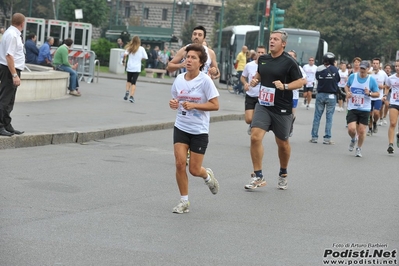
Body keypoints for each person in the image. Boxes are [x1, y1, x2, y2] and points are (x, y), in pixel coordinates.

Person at [245, 30, 304, 191]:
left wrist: (285, 86)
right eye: (271, 39)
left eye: (276, 39)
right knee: (255, 137)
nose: (272, 41)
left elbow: (301, 81)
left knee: (283, 143)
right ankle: (258, 176)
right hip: (263, 105)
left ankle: (283, 173)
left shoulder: (289, 62)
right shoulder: (263, 59)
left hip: (282, 108)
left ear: (283, 44)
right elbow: (259, 74)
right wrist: (256, 80)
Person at [168, 43, 220, 214]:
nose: (189, 60)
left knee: (194, 169)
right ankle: (184, 201)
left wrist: (195, 106)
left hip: (199, 130)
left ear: (201, 63)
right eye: (187, 57)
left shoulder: (205, 81)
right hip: (181, 126)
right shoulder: (179, 79)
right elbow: (176, 100)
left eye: (193, 58)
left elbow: (215, 105)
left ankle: (207, 176)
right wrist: (174, 104)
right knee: (179, 163)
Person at [344, 61, 379, 157]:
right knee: (351, 129)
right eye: (361, 69)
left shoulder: (371, 80)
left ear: (368, 69)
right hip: (353, 107)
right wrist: (348, 92)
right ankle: (353, 139)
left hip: (365, 109)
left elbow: (377, 94)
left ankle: (359, 148)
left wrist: (370, 93)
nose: (362, 71)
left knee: (362, 131)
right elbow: (346, 86)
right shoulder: (353, 77)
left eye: (364, 69)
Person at [0, 13, 26, 137]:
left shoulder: (12, 33)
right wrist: (14, 75)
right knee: (5, 99)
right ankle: (0, 125)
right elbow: (9, 56)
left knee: (10, 100)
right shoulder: (12, 35)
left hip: (10, 69)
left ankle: (6, 124)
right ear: (22, 23)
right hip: (9, 69)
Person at [309, 52, 340, 144]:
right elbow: (338, 80)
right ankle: (327, 138)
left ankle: (314, 137)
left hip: (320, 94)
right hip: (331, 95)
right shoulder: (334, 69)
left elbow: (317, 78)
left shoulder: (319, 68)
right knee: (329, 117)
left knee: (317, 116)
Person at [240, 45, 267, 135]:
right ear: (256, 53)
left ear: (265, 54)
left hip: (261, 97)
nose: (260, 54)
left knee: (257, 118)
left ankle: (254, 130)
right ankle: (251, 124)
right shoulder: (249, 65)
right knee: (248, 119)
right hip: (250, 95)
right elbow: (243, 77)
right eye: (259, 52)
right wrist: (245, 84)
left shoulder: (267, 66)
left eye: (262, 52)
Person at [122, 36, 147, 103]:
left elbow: (124, 55)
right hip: (137, 68)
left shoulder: (129, 47)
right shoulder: (141, 48)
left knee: (128, 80)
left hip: (130, 67)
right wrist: (140, 59)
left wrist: (123, 61)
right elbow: (145, 57)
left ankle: (127, 91)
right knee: (134, 82)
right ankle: (131, 96)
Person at [287, 50, 307, 137]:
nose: (290, 57)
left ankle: (290, 127)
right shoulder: (282, 66)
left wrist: (296, 84)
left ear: (295, 58)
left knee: (292, 114)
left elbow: (305, 81)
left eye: (292, 56)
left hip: (293, 95)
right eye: (288, 55)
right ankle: (285, 128)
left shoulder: (299, 68)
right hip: (283, 94)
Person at [367, 58, 388, 136]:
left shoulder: (383, 73)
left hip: (378, 97)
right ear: (372, 64)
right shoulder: (369, 72)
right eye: (374, 63)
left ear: (379, 65)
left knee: (376, 113)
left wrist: (383, 87)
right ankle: (369, 129)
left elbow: (388, 84)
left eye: (377, 63)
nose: (375, 65)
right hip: (369, 96)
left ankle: (375, 123)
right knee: (369, 114)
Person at [385, 59, 399, 154]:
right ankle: (390, 144)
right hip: (394, 102)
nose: (397, 68)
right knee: (393, 123)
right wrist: (385, 96)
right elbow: (387, 86)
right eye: (396, 66)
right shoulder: (391, 78)